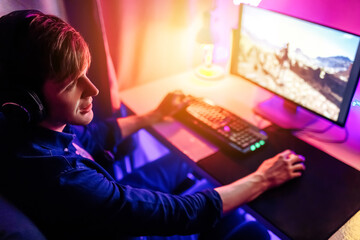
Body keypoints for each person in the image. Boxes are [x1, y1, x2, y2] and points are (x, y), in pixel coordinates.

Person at [0, 10, 306, 240]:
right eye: (71, 84)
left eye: (86, 73)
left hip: (110, 200)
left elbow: (92, 136)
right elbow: (176, 214)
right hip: (125, 230)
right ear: (29, 100)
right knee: (254, 234)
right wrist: (264, 178)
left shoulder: (27, 127)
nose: (92, 90)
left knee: (183, 163)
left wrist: (154, 116)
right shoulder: (64, 180)